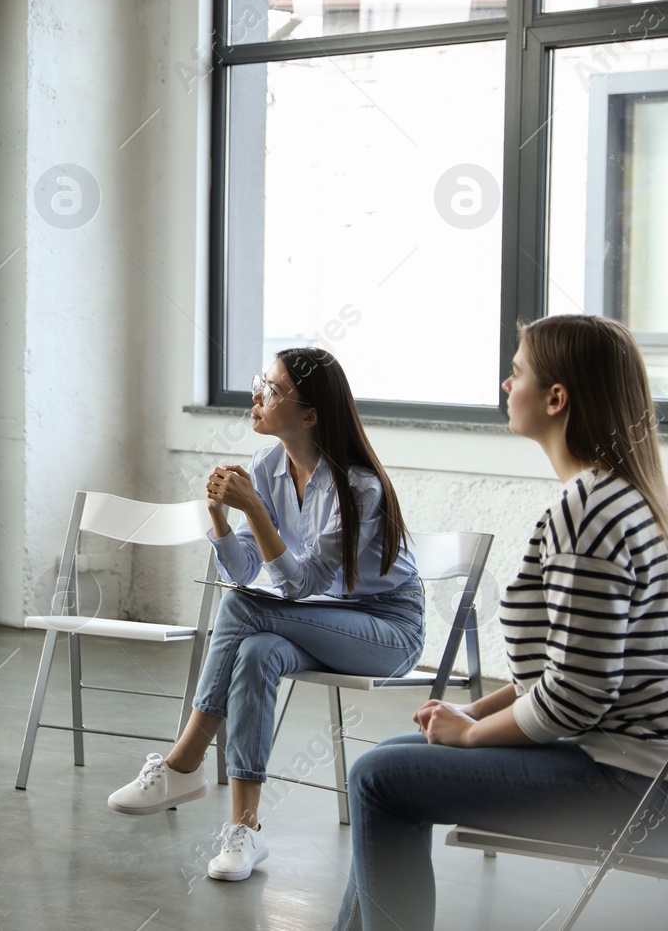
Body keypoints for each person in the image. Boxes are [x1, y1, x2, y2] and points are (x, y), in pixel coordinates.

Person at [333, 315, 668, 931]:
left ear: (556, 398)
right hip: (627, 767)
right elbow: (566, 667)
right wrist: (472, 715)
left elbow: (577, 696)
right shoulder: (622, 496)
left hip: (633, 787)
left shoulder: (589, 511)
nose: (505, 384)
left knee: (379, 777)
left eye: (516, 372)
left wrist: (471, 737)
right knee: (395, 756)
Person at [107, 347, 422, 883]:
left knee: (245, 609)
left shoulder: (358, 488)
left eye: (272, 390)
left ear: (310, 414)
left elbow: (298, 584)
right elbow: (250, 567)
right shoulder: (269, 466)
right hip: (321, 616)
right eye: (261, 383)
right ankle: (244, 833)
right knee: (256, 650)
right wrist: (220, 518)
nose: (257, 397)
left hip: (386, 629)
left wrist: (252, 507)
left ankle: (184, 762)